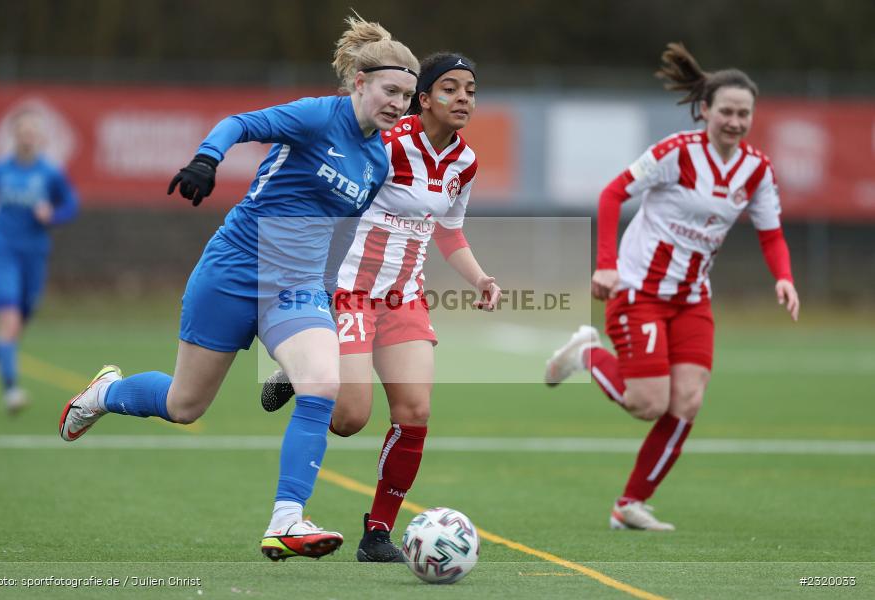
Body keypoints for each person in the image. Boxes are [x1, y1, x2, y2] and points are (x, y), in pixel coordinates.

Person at [57, 15, 418, 561]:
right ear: (359, 83)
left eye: (407, 96)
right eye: (390, 90)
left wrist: (327, 295)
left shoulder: (377, 160)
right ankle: (105, 393)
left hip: (294, 289)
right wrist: (207, 158)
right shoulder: (318, 116)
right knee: (184, 406)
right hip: (234, 270)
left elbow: (332, 232)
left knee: (321, 383)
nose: (397, 103)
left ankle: (287, 519)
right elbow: (239, 122)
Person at [544, 43, 800, 531]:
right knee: (647, 403)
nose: (735, 121)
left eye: (744, 113)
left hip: (692, 301)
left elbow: (771, 235)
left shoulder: (756, 170)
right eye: (726, 110)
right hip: (639, 291)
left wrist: (784, 277)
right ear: (706, 110)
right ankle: (586, 355)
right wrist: (605, 263)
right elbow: (612, 192)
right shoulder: (676, 153)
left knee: (688, 401)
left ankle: (630, 504)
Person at [260, 52, 500, 561]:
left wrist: (479, 277)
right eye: (451, 89)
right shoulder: (385, 142)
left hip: (403, 296)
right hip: (348, 289)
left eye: (471, 91)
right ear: (424, 97)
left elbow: (450, 231)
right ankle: (302, 368)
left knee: (415, 413)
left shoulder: (465, 161)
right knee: (349, 418)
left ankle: (377, 535)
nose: (463, 99)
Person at [0, 110, 79, 413]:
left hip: (34, 253)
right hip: (1, 251)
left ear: (39, 137)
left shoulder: (50, 173)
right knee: (8, 318)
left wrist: (54, 215)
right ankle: (11, 390)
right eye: (22, 131)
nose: (27, 137)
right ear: (14, 135)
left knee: (22, 319)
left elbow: (71, 203)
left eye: (33, 131)